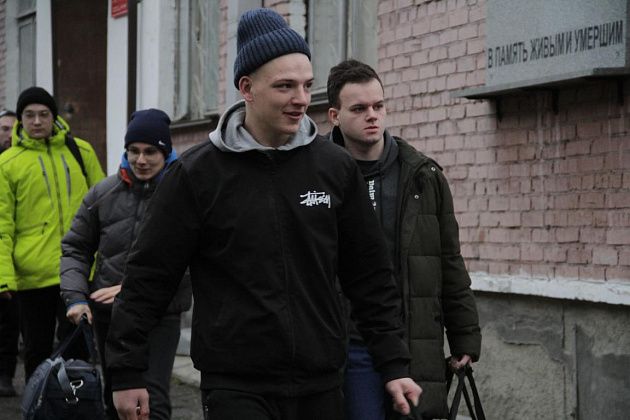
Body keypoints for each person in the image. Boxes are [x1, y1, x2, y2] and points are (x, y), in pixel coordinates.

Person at [106, 8, 421, 420]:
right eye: (285, 86)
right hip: (236, 386)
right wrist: (127, 372)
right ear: (247, 88)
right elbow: (150, 276)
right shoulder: (198, 174)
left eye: (307, 85)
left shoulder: (334, 167)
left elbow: (370, 276)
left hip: (321, 382)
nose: (301, 99)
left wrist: (393, 363)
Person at [326, 59, 482, 419]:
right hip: (352, 343)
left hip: (415, 339)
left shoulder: (423, 176)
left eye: (378, 106)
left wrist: (464, 335)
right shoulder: (318, 174)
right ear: (334, 115)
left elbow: (448, 260)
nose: (372, 116)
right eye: (359, 109)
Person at [60, 109, 193, 419]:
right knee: (116, 397)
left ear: (166, 152)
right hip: (109, 315)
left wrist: (130, 288)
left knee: (152, 400)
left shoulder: (183, 194)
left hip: (161, 314)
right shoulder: (103, 194)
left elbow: (190, 260)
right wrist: (76, 297)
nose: (141, 159)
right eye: (134, 150)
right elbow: (75, 247)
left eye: (150, 151)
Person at [0, 87, 105, 381]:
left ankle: (76, 400)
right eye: (29, 115)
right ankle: (39, 402)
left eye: (43, 114)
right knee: (37, 349)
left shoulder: (81, 151)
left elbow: (102, 207)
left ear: (54, 117)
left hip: (78, 269)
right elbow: (2, 225)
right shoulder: (7, 164)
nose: (37, 121)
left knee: (77, 346)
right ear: (21, 120)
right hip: (32, 274)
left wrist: (102, 259)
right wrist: (4, 276)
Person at [0, 109, 18, 396]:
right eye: (4, 129)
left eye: (13, 129)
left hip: (18, 251)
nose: (9, 134)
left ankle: (6, 375)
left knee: (10, 320)